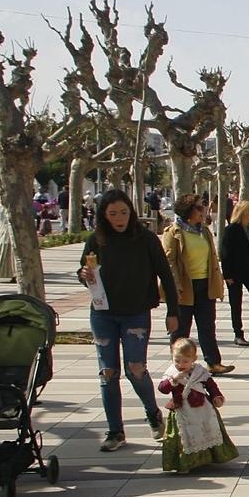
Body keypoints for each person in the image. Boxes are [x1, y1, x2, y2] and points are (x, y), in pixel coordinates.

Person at [79, 189, 178, 452]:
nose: (119, 218)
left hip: (136, 312)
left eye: (123, 212)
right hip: (103, 314)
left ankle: (152, 412)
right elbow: (84, 272)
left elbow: (165, 275)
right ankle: (115, 430)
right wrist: (84, 273)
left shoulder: (145, 238)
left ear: (131, 212)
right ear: (104, 215)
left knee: (135, 369)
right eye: (112, 214)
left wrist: (173, 312)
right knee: (107, 373)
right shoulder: (96, 240)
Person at [161, 195, 233, 376]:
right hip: (185, 286)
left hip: (205, 284)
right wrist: (175, 287)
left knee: (207, 326)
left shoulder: (204, 231)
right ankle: (177, 365)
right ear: (189, 211)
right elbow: (169, 262)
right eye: (200, 208)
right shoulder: (173, 232)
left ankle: (214, 363)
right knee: (181, 329)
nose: (204, 211)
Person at [157, 335, 237, 474]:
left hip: (202, 408)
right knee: (183, 435)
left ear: (194, 359)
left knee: (208, 429)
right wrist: (173, 380)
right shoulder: (171, 373)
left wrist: (216, 397)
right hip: (181, 409)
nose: (180, 364)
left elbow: (211, 385)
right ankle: (184, 462)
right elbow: (163, 389)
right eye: (177, 360)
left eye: (185, 361)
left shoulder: (200, 372)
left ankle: (210, 456)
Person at [220, 201, 249, 346]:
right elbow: (225, 253)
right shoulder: (231, 230)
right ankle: (238, 334)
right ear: (244, 212)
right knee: (235, 303)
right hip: (234, 272)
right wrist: (227, 275)